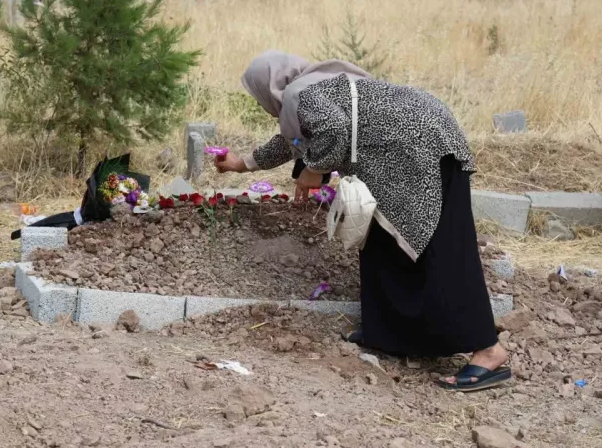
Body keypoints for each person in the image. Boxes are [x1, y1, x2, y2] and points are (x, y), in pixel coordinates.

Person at [215, 50, 511, 391]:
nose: (261, 104)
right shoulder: (312, 87)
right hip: (414, 145)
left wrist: (312, 171)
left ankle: (488, 352)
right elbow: (296, 139)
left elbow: (334, 129)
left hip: (425, 149)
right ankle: (391, 332)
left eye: (258, 96)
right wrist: (244, 164)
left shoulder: (302, 94)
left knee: (442, 248)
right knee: (383, 240)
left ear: (269, 86)